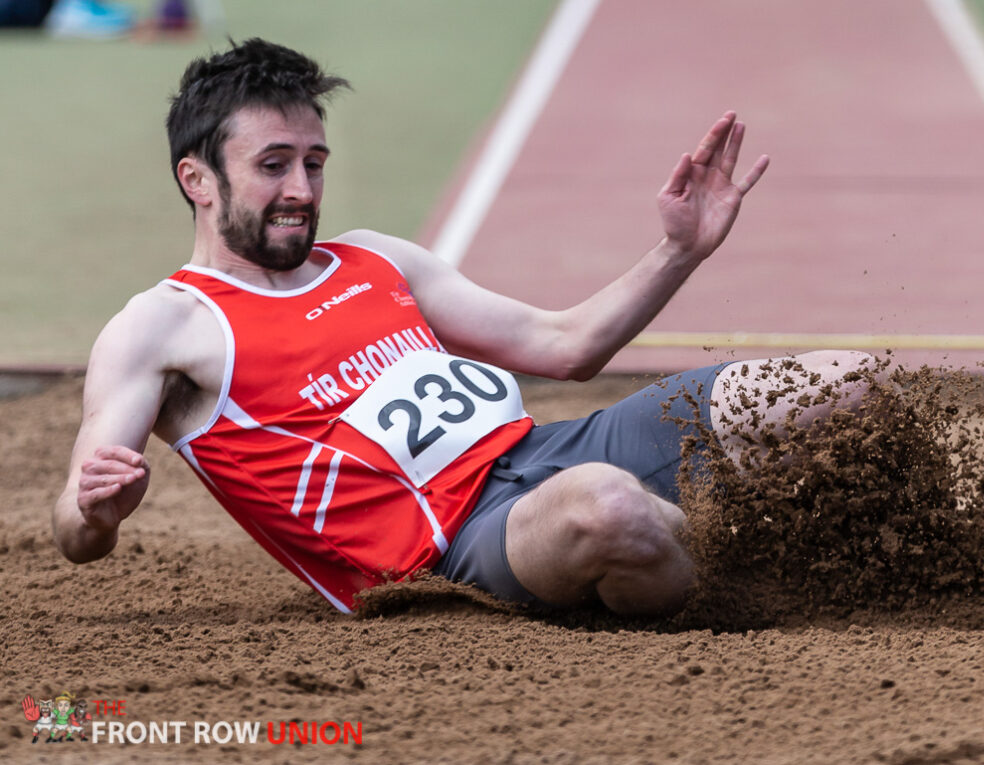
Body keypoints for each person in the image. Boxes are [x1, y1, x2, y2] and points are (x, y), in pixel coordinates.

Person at [53, 38, 875, 616]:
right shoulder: (161, 327)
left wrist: (677, 250)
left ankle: (870, 557)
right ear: (196, 178)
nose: (301, 187)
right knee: (609, 512)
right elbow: (75, 530)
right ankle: (776, 598)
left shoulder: (373, 259)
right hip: (450, 550)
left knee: (841, 382)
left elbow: (566, 346)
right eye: (273, 165)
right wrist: (98, 509)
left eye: (313, 162)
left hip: (544, 455)